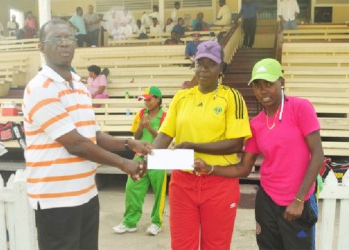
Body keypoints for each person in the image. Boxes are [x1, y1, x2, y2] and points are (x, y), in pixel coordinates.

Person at [23, 19, 151, 250]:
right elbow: (76, 144)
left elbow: (93, 135)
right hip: (57, 200)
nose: (64, 43)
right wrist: (124, 164)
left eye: (69, 38)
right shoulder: (40, 88)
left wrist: (128, 143)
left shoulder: (81, 86)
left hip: (86, 193)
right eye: (56, 39)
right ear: (41, 46)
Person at [194, 58, 324, 250]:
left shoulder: (300, 108)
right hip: (267, 200)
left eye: (268, 84)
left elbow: (318, 154)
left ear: (282, 82)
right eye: (257, 85)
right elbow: (244, 168)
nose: (263, 91)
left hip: (298, 200)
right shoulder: (256, 124)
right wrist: (210, 168)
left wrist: (299, 200)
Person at [152, 40, 251, 249]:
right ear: (194, 65)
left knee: (215, 245)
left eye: (211, 64)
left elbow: (236, 144)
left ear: (221, 67)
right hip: (183, 182)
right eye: (200, 63)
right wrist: (146, 157)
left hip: (219, 181)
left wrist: (192, 146)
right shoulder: (182, 97)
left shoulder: (232, 97)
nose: (204, 69)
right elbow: (164, 135)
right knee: (181, 245)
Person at [113, 87, 167, 236]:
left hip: (159, 157)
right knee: (132, 187)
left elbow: (164, 140)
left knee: (159, 193)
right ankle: (129, 222)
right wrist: (141, 126)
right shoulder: (141, 114)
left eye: (149, 99)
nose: (146, 102)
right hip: (141, 156)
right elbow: (136, 137)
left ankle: (156, 223)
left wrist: (149, 127)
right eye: (144, 100)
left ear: (158, 99)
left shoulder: (165, 117)